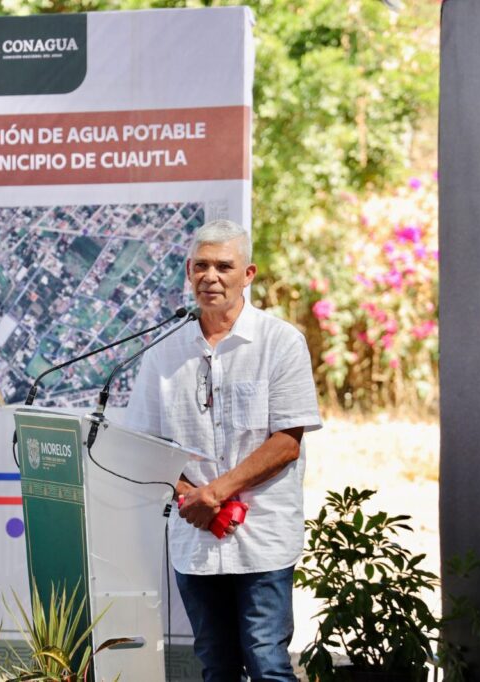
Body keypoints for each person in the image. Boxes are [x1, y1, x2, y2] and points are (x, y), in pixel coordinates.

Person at [125, 219, 322, 682]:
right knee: (216, 665)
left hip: (262, 535)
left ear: (248, 274)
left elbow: (286, 443)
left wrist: (213, 493)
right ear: (188, 271)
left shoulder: (280, 342)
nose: (210, 276)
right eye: (201, 266)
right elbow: (143, 444)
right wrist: (188, 495)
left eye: (223, 266)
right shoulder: (163, 352)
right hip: (195, 534)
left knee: (267, 660)